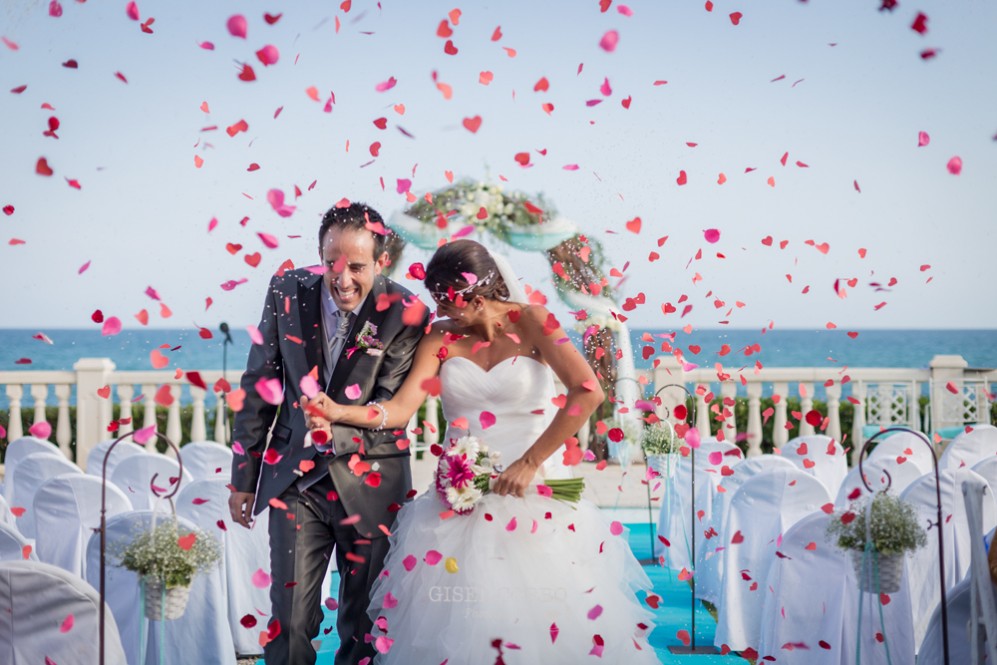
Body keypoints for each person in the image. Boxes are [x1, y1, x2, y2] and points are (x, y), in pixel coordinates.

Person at [303, 239, 660, 663]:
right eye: (436, 298)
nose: (442, 308)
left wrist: (529, 463)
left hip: (534, 494)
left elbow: (587, 393)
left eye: (450, 297)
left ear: (481, 289)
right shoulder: (440, 335)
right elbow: (400, 410)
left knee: (543, 617)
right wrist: (340, 410)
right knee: (460, 621)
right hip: (458, 501)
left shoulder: (533, 322)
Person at [228, 201, 428, 665]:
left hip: (372, 481)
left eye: (357, 266)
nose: (342, 279)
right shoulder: (285, 290)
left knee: (362, 624)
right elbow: (260, 384)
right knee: (290, 620)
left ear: (381, 262)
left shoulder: (406, 312)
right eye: (331, 263)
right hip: (295, 483)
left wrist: (330, 427)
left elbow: (388, 405)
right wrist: (243, 477)